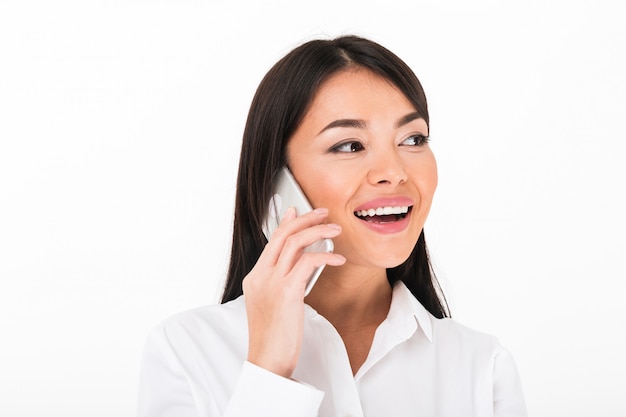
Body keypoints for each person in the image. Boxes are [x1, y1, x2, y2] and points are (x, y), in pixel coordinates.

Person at [138, 35, 527, 417]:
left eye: (412, 138)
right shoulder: (187, 353)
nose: (394, 172)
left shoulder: (482, 368)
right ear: (278, 184)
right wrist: (267, 372)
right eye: (349, 145)